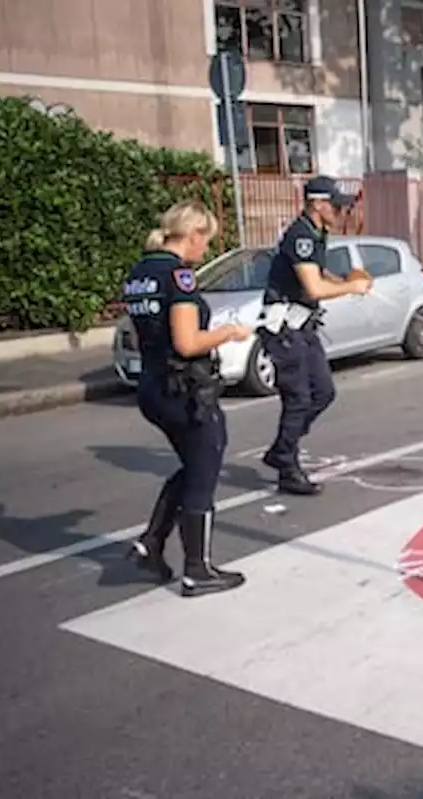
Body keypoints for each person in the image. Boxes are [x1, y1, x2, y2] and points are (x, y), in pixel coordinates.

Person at [125, 200, 254, 597]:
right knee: (205, 468)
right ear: (193, 234)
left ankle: (152, 542)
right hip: (182, 389)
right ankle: (197, 569)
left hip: (151, 384)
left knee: (192, 465)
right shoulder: (178, 276)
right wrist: (229, 333)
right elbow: (186, 342)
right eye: (206, 240)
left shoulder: (140, 272)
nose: (206, 250)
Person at [259, 175, 372, 495]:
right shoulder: (301, 236)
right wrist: (352, 288)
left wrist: (346, 279)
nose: (340, 212)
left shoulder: (316, 234)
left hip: (303, 326)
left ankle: (283, 449)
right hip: (284, 328)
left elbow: (318, 273)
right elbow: (312, 287)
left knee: (323, 392)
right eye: (335, 206)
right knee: (298, 399)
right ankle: (287, 463)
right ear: (317, 204)